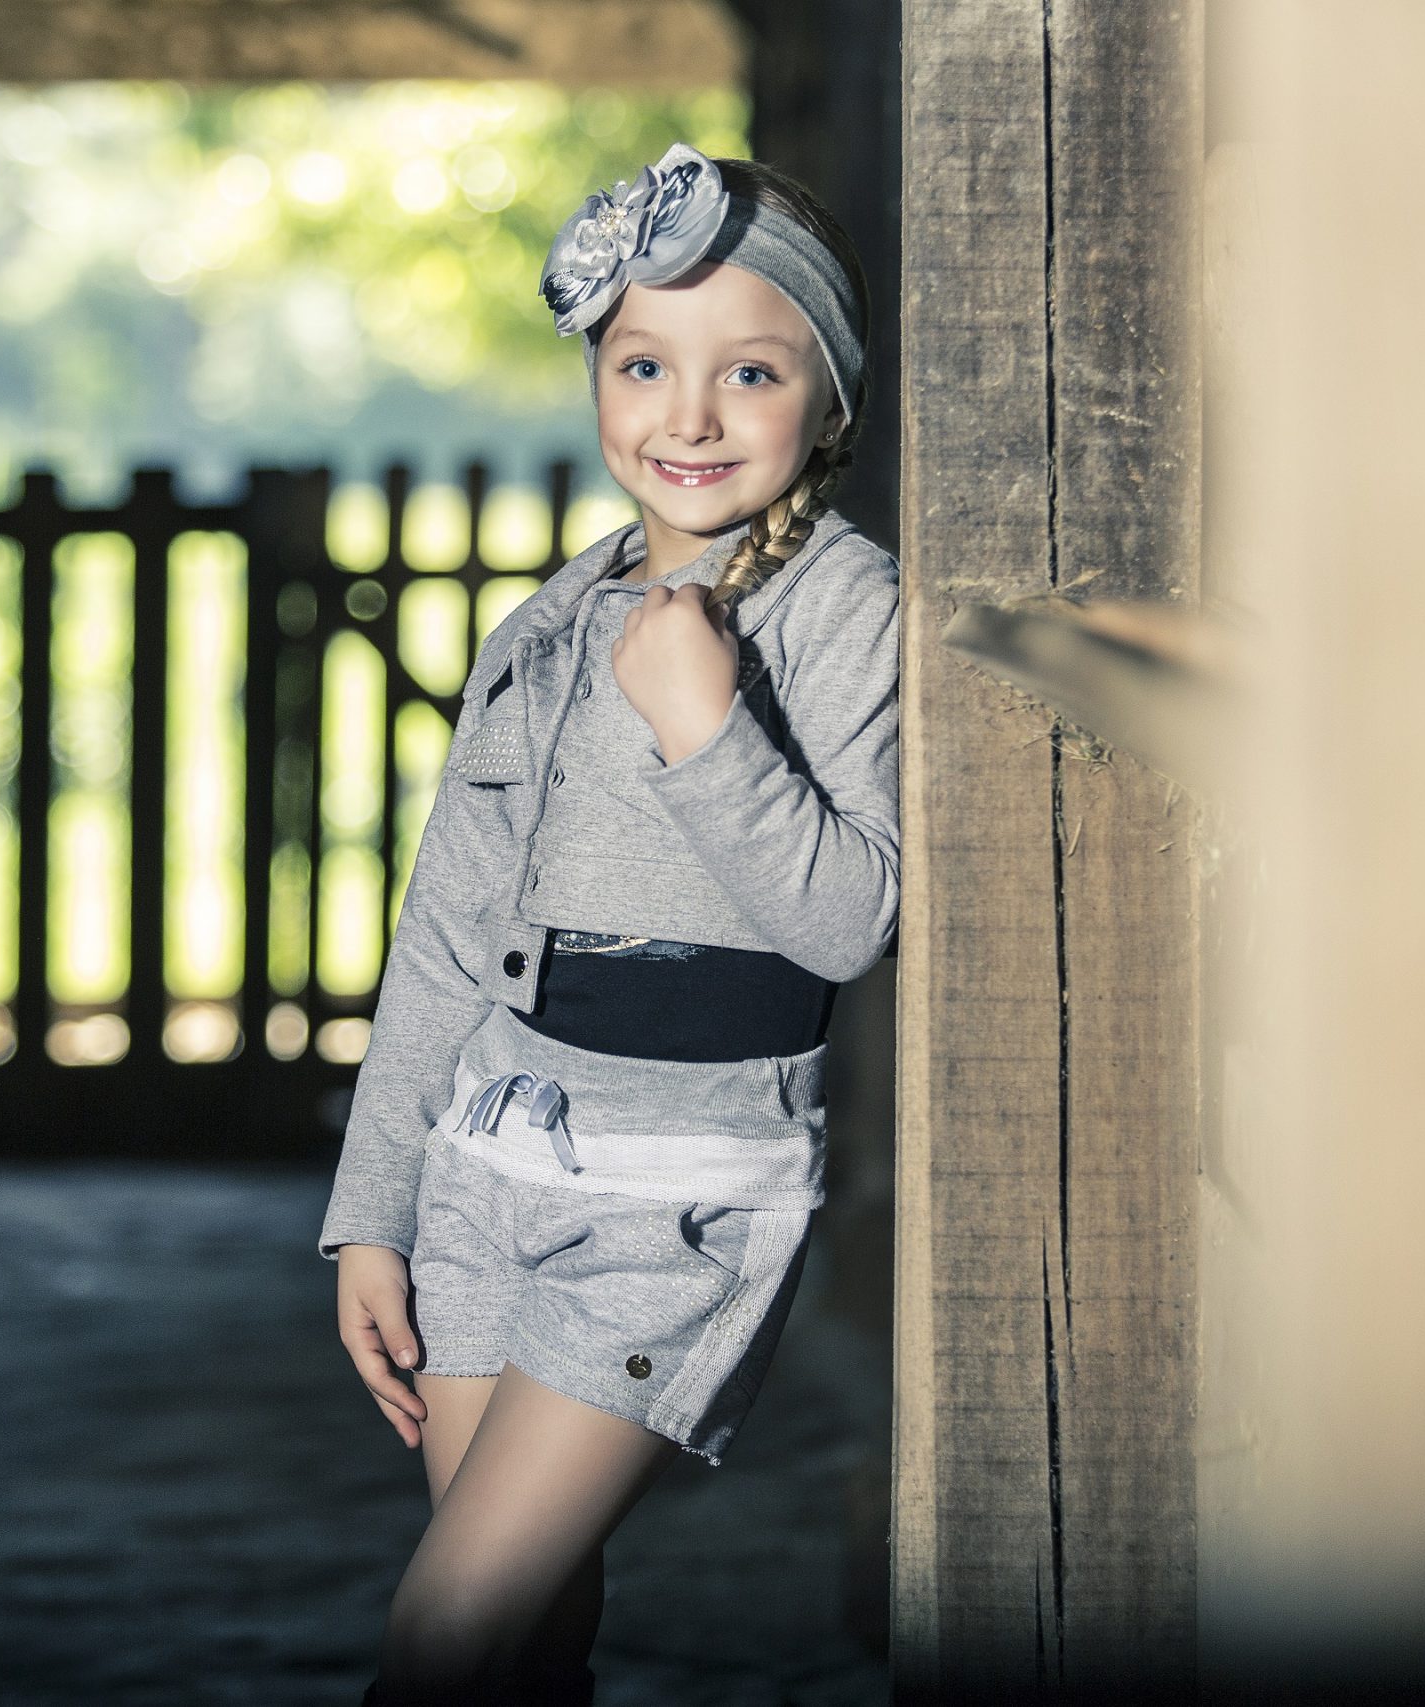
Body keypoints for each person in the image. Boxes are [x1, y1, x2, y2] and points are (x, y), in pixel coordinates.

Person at [318, 141, 900, 1707]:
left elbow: (851, 921)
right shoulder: (549, 624)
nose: (688, 417)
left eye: (751, 372)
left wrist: (709, 727)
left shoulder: (849, 609)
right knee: (525, 1645)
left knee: (443, 1640)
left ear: (830, 398)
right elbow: (448, 937)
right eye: (644, 365)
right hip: (482, 1176)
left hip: (674, 1200)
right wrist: (375, 1211)